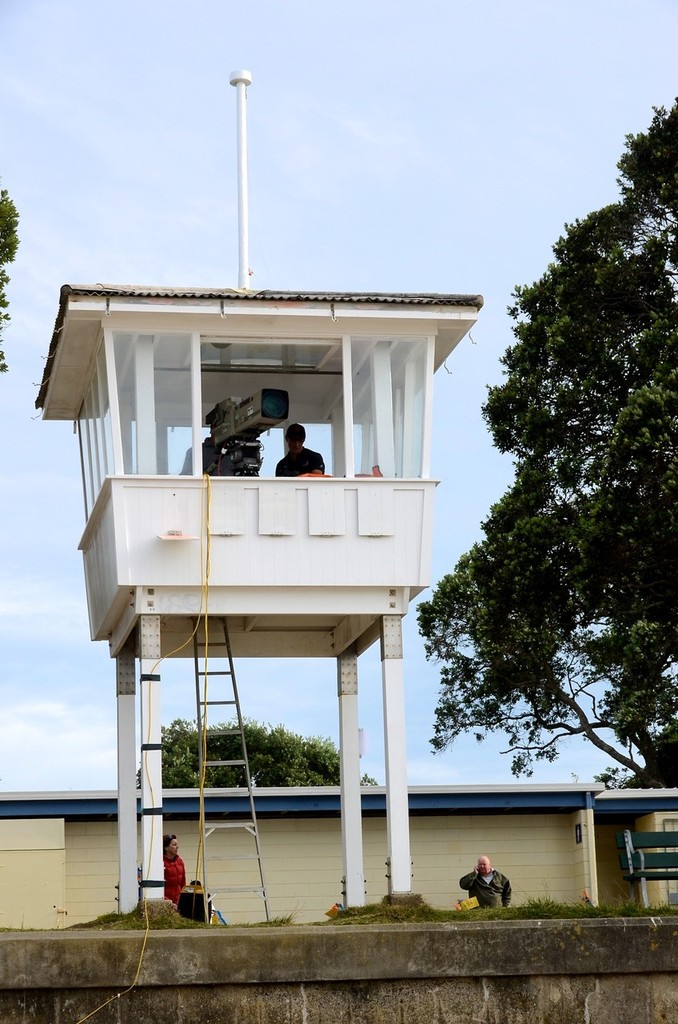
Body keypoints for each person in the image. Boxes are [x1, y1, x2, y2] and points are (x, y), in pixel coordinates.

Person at [163, 833, 186, 906]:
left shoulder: (180, 861)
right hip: (166, 904)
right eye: (174, 845)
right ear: (166, 848)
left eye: (177, 844)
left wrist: (183, 899)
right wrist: (168, 902)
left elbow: (183, 883)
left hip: (179, 902)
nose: (177, 847)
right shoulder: (160, 863)